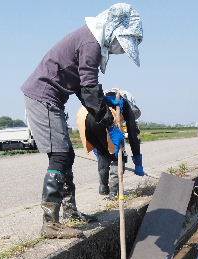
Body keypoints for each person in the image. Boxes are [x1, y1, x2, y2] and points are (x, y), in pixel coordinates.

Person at [21, 3, 143, 239]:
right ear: (113, 31)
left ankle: (71, 213)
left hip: (51, 98)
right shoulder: (91, 43)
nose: (118, 50)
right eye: (120, 44)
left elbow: (83, 88)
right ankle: (50, 223)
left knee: (65, 153)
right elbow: (88, 88)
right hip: (43, 96)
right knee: (60, 155)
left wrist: (102, 108)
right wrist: (110, 125)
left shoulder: (89, 40)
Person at [76, 88, 144, 199]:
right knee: (117, 156)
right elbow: (133, 135)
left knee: (103, 153)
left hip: (83, 117)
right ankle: (114, 192)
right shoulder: (124, 102)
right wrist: (138, 163)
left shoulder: (103, 97)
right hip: (103, 116)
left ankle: (103, 187)